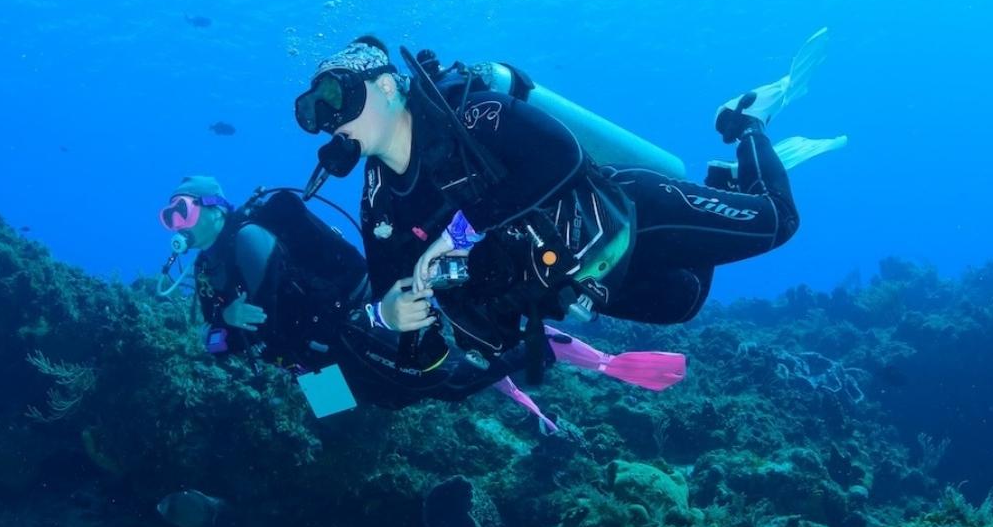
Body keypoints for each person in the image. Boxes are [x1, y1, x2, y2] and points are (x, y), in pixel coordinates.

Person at [291, 33, 837, 375]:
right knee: (684, 301)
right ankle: (722, 182)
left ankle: (746, 121)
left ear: (387, 86)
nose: (331, 120)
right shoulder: (378, 202)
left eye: (337, 98)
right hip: (579, 279)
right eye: (315, 112)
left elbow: (559, 155)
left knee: (777, 221)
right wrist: (391, 314)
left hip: (624, 214)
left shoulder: (471, 117)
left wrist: (456, 235)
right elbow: (395, 287)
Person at [156, 174, 683, 430]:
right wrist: (225, 321)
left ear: (213, 208)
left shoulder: (247, 239)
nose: (175, 224)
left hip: (349, 326)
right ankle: (522, 380)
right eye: (168, 217)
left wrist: (235, 325)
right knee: (377, 407)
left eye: (181, 211)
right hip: (310, 363)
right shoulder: (208, 269)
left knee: (446, 384)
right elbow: (218, 342)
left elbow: (273, 314)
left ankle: (558, 353)